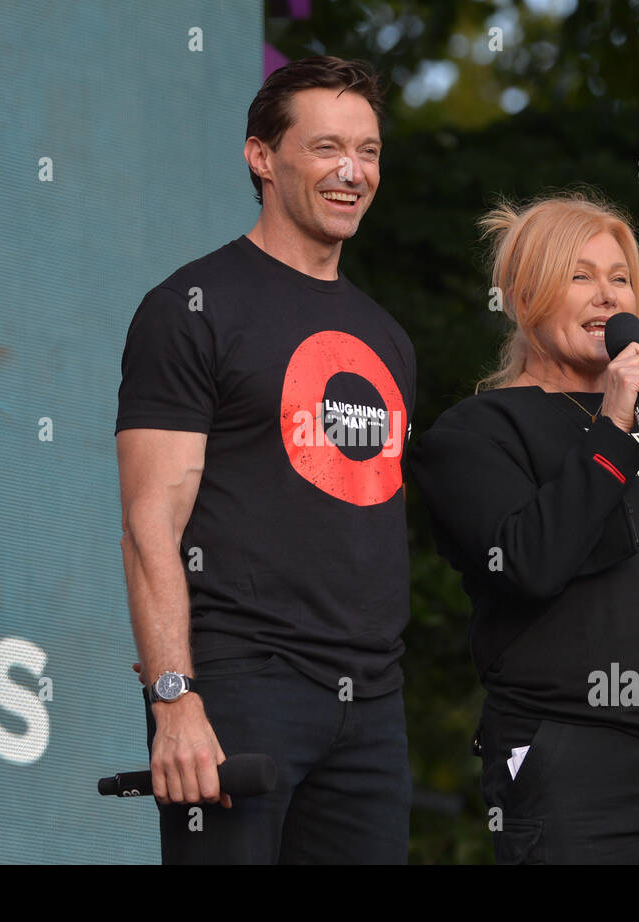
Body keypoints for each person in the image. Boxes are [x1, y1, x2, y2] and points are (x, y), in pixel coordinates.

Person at [408, 191, 639, 864]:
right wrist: (613, 428)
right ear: (526, 293)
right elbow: (529, 559)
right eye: (580, 275)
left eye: (619, 279)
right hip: (571, 761)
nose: (605, 295)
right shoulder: (479, 432)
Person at [114, 56, 415, 864]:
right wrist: (173, 698)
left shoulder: (388, 338)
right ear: (261, 156)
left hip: (373, 705)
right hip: (242, 683)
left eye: (370, 151)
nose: (352, 172)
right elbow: (151, 524)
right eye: (325, 148)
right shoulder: (189, 308)